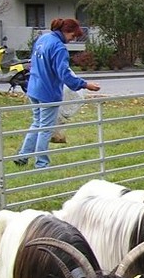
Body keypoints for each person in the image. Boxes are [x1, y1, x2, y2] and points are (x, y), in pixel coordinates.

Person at [16, 18, 99, 169]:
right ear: (67, 31)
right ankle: (42, 163)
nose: (72, 40)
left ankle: (23, 156)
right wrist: (85, 85)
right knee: (46, 128)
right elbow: (64, 74)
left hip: (33, 88)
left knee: (37, 123)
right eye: (73, 36)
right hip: (48, 92)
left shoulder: (43, 39)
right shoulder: (59, 47)